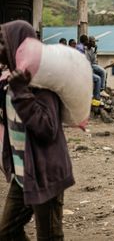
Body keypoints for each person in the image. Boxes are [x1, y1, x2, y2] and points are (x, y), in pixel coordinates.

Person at [0, 20, 74, 240]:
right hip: (23, 174)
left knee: (49, 235)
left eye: (2, 42)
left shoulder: (42, 81)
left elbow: (47, 128)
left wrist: (21, 91)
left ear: (18, 45)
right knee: (7, 232)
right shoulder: (9, 80)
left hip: (45, 173)